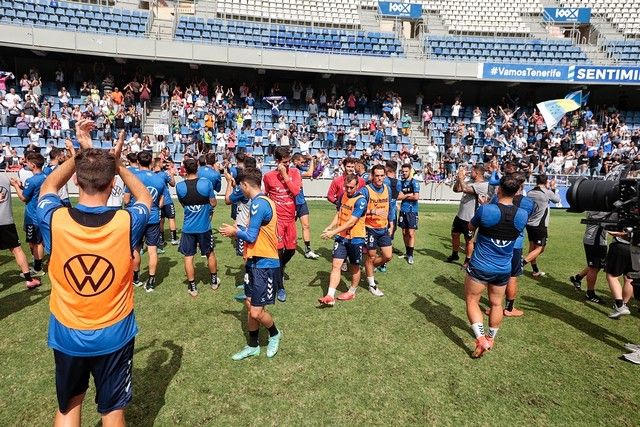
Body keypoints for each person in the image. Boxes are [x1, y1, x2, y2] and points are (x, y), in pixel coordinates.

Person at [36, 119, 151, 426]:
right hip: (114, 332)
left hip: (67, 331)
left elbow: (48, 187)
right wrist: (117, 163)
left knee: (69, 406)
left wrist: (80, 156)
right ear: (113, 184)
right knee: (112, 411)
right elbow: (145, 198)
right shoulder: (126, 222)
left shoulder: (54, 218)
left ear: (76, 182)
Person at [220, 167, 282, 361]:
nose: (240, 190)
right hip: (254, 261)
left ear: (245, 185)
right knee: (249, 304)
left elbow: (251, 235)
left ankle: (275, 333)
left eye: (240, 186)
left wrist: (234, 231)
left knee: (256, 311)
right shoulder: (261, 201)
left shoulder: (259, 204)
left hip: (265, 264)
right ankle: (252, 346)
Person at [464, 174, 528, 358]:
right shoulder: (522, 215)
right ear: (517, 192)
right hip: (503, 269)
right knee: (496, 304)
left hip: (480, 265)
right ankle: (491, 339)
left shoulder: (486, 210)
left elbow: (470, 227)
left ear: (498, 189)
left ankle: (481, 339)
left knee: (472, 300)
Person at [124, 151, 170, 292]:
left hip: (137, 218)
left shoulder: (133, 178)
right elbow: (161, 203)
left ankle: (136, 278)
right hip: (153, 217)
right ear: (151, 162)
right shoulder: (159, 179)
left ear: (138, 162)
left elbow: (126, 200)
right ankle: (151, 281)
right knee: (152, 251)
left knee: (136, 248)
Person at [318, 174, 367, 306]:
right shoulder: (343, 195)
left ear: (357, 186)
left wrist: (333, 232)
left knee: (355, 267)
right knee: (336, 265)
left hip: (355, 239)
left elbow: (351, 222)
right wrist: (330, 226)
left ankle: (352, 291)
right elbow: (339, 213)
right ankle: (330, 295)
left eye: (351, 187)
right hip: (341, 237)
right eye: (347, 187)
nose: (349, 190)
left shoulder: (361, 201)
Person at [263, 147, 301, 302]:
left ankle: (277, 267)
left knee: (291, 250)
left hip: (290, 219)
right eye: (284, 162)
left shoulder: (295, 173)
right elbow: (265, 196)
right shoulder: (269, 176)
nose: (287, 164)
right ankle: (280, 287)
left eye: (288, 161)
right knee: (278, 253)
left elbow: (296, 191)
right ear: (277, 161)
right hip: (276, 221)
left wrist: (285, 175)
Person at [176, 158, 219, 296]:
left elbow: (183, 204)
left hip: (188, 228)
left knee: (188, 257)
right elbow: (213, 203)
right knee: (209, 253)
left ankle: (193, 287)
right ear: (197, 168)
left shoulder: (180, 186)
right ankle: (213, 282)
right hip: (204, 227)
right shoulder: (206, 184)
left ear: (185, 169)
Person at [0, 172, 41, 289]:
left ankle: (29, 279)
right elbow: (17, 184)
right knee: (17, 249)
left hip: (6, 221)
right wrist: (17, 184)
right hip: (6, 221)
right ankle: (29, 280)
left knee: (17, 249)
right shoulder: (5, 177)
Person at [10, 151, 46, 277]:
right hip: (42, 213)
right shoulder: (45, 177)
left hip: (33, 215)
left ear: (33, 165)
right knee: (37, 241)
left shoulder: (32, 180)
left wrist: (15, 186)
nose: (26, 164)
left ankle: (37, 268)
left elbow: (24, 198)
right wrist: (21, 186)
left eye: (28, 163)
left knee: (36, 242)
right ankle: (37, 264)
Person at [359, 165, 392, 297]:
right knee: (371, 256)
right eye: (376, 175)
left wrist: (391, 222)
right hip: (370, 229)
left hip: (383, 228)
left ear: (385, 176)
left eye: (381, 175)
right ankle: (372, 284)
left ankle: (369, 268)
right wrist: (374, 211)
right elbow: (358, 209)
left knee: (388, 256)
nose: (379, 178)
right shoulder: (365, 191)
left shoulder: (387, 188)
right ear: (372, 176)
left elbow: (391, 206)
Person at [448, 164, 489, 265]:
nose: (470, 172)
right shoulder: (470, 182)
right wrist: (459, 179)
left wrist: (462, 178)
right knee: (455, 234)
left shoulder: (483, 185)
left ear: (478, 173)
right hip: (460, 215)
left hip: (471, 218)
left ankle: (467, 261)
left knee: (468, 240)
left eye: (472, 171)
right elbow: (456, 189)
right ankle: (455, 254)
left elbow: (466, 189)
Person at [523, 174, 560, 277]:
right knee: (540, 248)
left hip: (529, 223)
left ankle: (535, 271)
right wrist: (553, 187)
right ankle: (521, 263)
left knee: (532, 247)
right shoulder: (546, 192)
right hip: (540, 224)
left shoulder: (530, 192)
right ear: (546, 181)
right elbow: (557, 200)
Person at [569, 211, 608, 303]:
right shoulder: (604, 207)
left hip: (594, 239)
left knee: (595, 265)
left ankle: (577, 278)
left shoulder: (594, 203)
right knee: (594, 267)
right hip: (595, 241)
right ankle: (590, 294)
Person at [292, 153, 320, 260]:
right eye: (301, 161)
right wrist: (312, 160)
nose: (303, 163)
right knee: (288, 227)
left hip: (301, 202)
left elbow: (314, 170)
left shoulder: (299, 168)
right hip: (292, 203)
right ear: (295, 161)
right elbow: (309, 173)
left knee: (306, 225)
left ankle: (308, 250)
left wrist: (313, 160)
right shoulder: (293, 170)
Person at [604, 230, 635, 319]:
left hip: (621, 246)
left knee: (612, 276)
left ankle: (620, 306)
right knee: (629, 278)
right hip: (636, 249)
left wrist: (624, 233)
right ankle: (623, 305)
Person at [397, 163, 420, 265]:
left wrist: (404, 196)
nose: (404, 173)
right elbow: (398, 197)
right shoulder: (400, 183)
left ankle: (411, 255)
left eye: (406, 171)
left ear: (410, 171)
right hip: (403, 210)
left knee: (411, 233)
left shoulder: (415, 182)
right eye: (403, 171)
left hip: (412, 211)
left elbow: (416, 197)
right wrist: (408, 195)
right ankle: (407, 252)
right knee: (404, 232)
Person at [155, 159, 178, 247]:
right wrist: (171, 173)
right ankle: (174, 239)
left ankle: (161, 240)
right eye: (161, 163)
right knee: (171, 218)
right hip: (167, 200)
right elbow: (172, 183)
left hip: (157, 201)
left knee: (161, 220)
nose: (163, 164)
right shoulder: (164, 174)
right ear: (158, 164)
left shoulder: (152, 175)